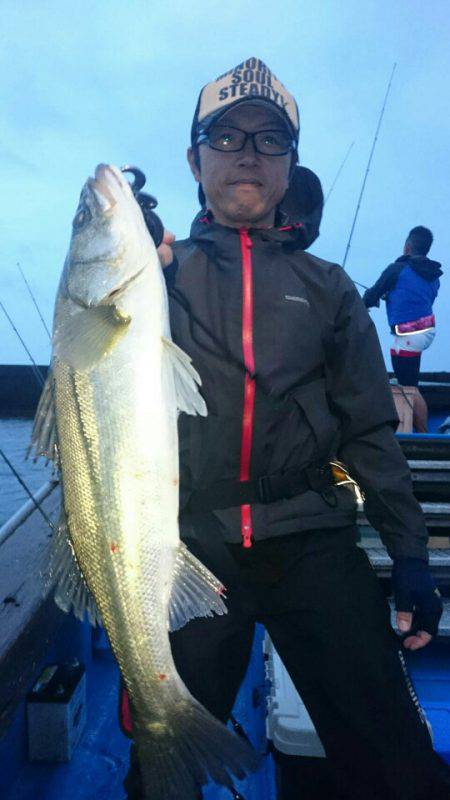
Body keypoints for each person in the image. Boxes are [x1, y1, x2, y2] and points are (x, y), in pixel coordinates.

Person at [122, 58, 450, 799]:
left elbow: (370, 431)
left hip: (311, 539)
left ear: (290, 164)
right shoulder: (155, 274)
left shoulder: (330, 289)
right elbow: (92, 354)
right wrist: (126, 256)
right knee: (161, 772)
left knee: (397, 767)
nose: (247, 152)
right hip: (189, 548)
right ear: (194, 158)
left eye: (270, 139)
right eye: (226, 135)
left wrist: (410, 555)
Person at [363, 227, 442, 431]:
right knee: (406, 381)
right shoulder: (434, 276)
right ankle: (419, 430)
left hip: (409, 335)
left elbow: (372, 294)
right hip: (425, 331)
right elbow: (418, 299)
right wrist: (393, 295)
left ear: (407, 246)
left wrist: (367, 303)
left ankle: (423, 435)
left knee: (409, 388)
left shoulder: (396, 269)